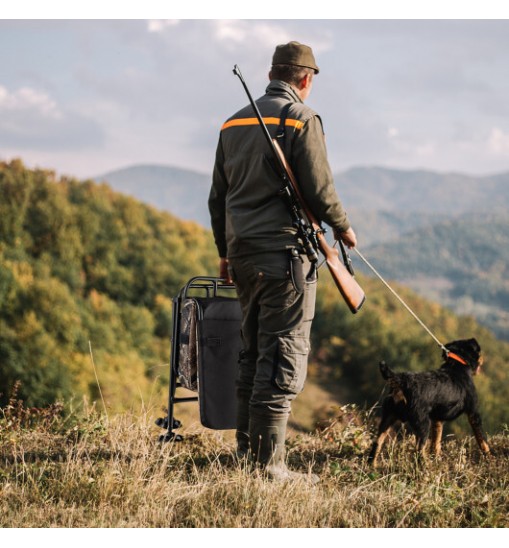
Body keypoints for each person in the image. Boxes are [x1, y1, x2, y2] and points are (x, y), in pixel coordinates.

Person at [208, 41, 357, 482]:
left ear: (274, 73)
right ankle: (269, 468)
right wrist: (343, 227)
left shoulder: (232, 122)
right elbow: (319, 186)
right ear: (305, 80)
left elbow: (218, 198)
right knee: (283, 355)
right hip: (285, 256)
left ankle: (245, 456)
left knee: (252, 354)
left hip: (242, 253)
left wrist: (223, 252)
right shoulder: (302, 118)